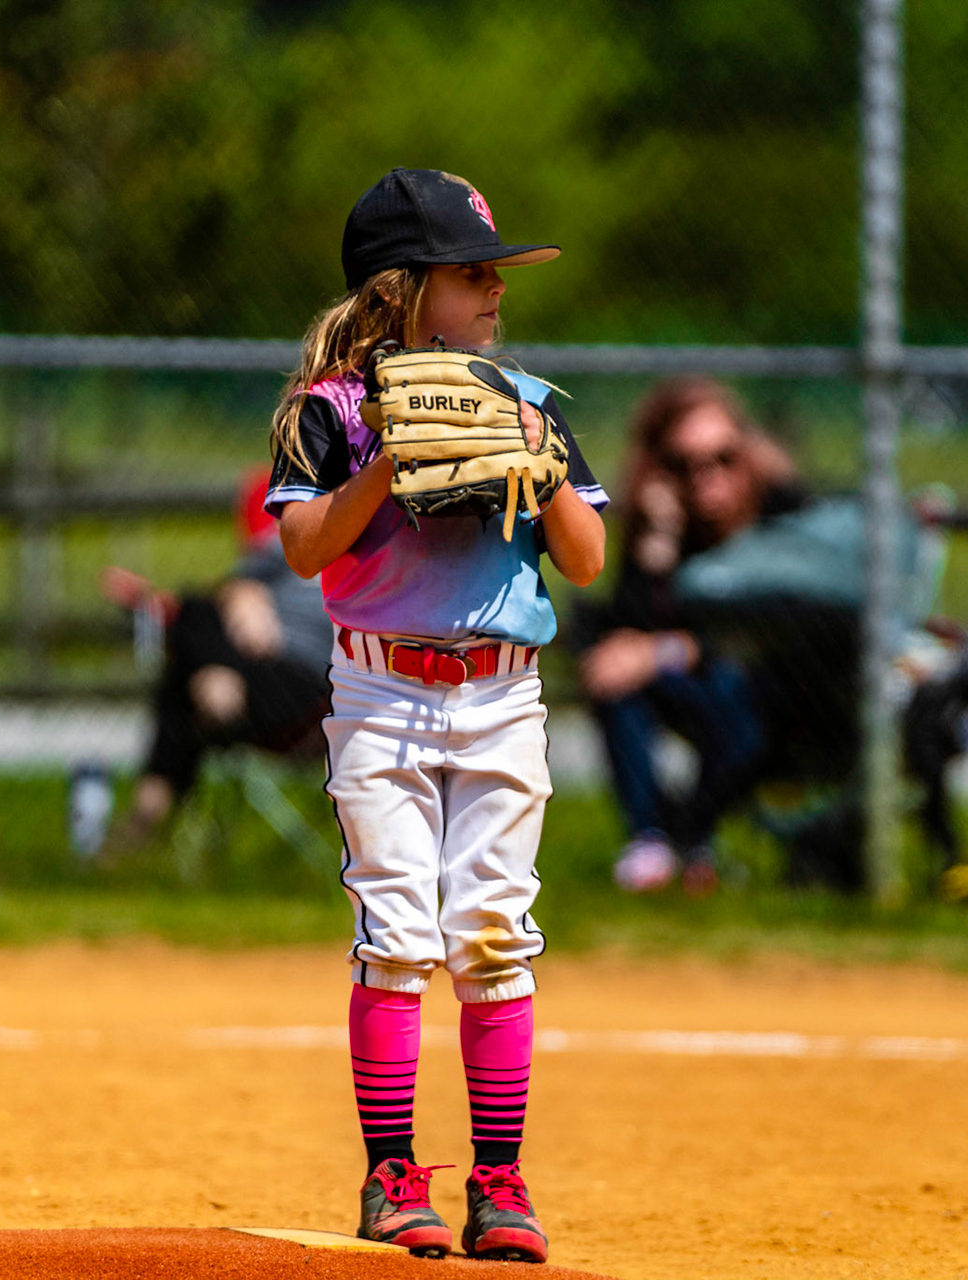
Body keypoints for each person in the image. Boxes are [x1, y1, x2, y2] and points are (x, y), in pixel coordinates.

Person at [265, 169, 606, 1263]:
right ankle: (390, 1171)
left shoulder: (533, 400)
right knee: (399, 932)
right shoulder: (333, 411)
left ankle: (500, 1179)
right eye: (472, 275)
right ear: (403, 289)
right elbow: (307, 547)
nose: (496, 292)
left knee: (496, 937)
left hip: (504, 696)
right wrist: (386, 469)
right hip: (381, 692)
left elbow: (588, 560)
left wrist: (538, 461)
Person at [574, 377, 805, 893]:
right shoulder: (666, 525)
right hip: (693, 680)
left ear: (746, 453)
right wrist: (657, 543)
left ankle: (692, 836)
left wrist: (666, 650)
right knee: (615, 673)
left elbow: (782, 631)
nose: (706, 477)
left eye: (723, 458)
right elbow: (631, 625)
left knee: (724, 687)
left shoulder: (782, 509)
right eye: (684, 464)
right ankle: (651, 841)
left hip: (779, 692)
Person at [97, 470, 334, 851]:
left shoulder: (302, 545)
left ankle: (145, 819)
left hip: (308, 690)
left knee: (195, 619)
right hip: (260, 689)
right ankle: (215, 684)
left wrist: (236, 595)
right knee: (182, 685)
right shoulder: (280, 556)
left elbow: (214, 608)